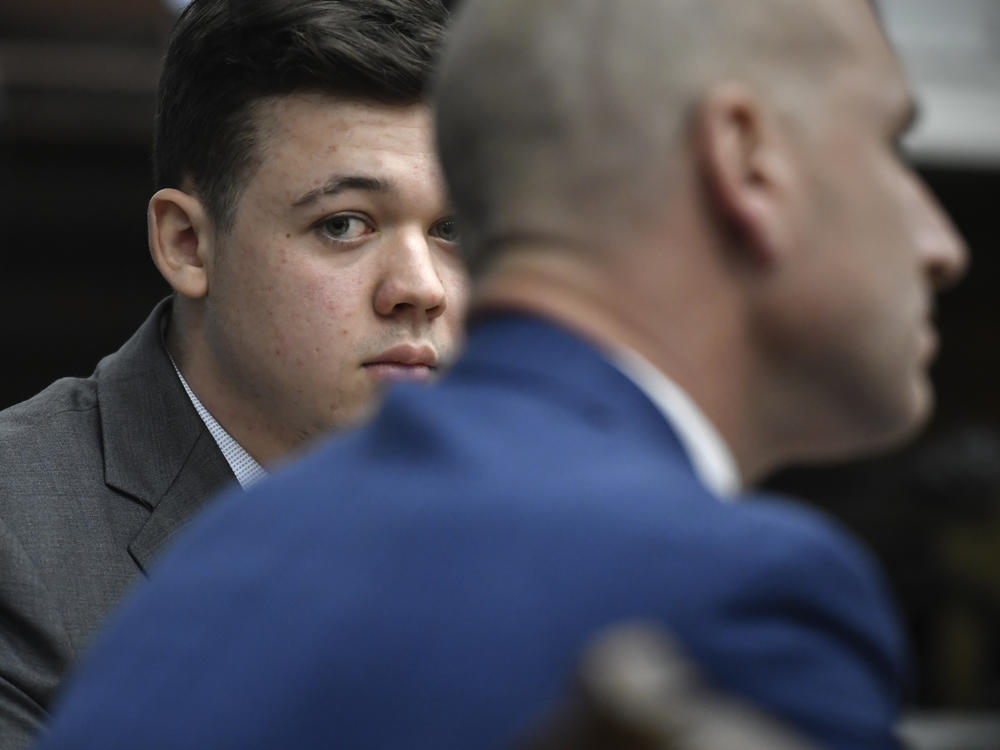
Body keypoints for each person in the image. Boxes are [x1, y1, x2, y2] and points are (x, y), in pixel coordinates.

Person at [35, 0, 966, 748]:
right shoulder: (738, 588)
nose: (943, 243)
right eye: (888, 142)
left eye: (457, 229)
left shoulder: (235, 554)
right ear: (745, 161)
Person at [0, 0, 465, 746]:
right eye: (344, 224)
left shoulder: (551, 514)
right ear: (187, 243)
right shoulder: (18, 535)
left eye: (453, 229)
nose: (421, 286)